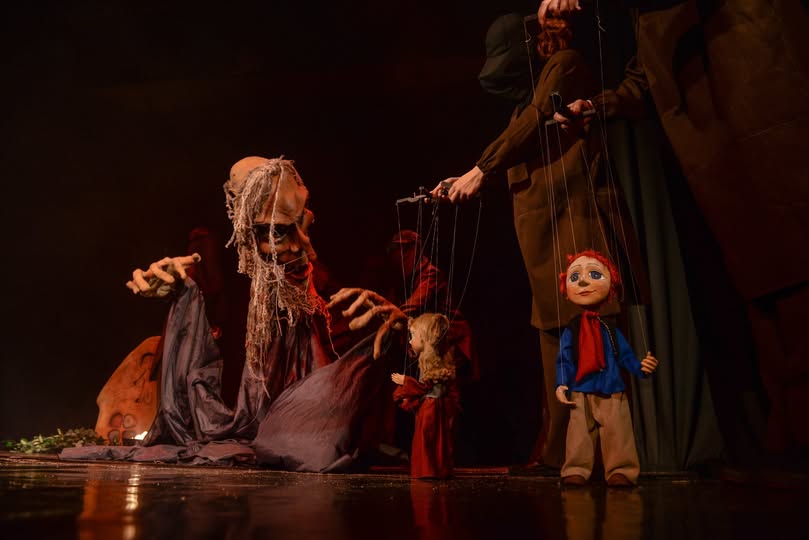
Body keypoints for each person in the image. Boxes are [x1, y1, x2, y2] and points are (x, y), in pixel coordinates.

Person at [545, 0, 809, 463]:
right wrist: (597, 105)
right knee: (763, 299)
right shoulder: (651, 17)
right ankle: (789, 441)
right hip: (723, 170)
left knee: (796, 284)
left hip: (776, 136)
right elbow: (648, 75)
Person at [62, 156, 409, 471]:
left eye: (304, 220)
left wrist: (398, 326)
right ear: (245, 228)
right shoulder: (232, 280)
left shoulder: (312, 288)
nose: (305, 247)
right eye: (277, 231)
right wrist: (180, 293)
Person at [432, 10, 645, 471]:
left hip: (573, 226)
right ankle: (559, 453)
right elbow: (520, 135)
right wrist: (468, 178)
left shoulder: (565, 65)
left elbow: (535, 121)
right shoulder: (526, 97)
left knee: (591, 340)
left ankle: (604, 458)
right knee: (556, 345)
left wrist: (481, 169)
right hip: (543, 237)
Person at [555, 250, 657, 487]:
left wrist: (641, 367)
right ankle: (576, 469)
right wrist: (561, 383)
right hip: (580, 389)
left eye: (594, 274)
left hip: (611, 387)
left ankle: (621, 470)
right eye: (575, 277)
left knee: (618, 431)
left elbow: (625, 355)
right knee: (578, 433)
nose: (583, 281)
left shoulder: (609, 329)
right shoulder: (572, 329)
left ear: (611, 284)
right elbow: (564, 359)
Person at [392, 313, 461, 479]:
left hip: (430, 408)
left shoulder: (431, 363)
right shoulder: (429, 360)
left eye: (413, 336)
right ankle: (437, 469)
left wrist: (405, 381)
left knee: (427, 438)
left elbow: (424, 387)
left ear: (424, 339)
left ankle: (428, 469)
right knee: (437, 439)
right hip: (435, 406)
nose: (410, 341)